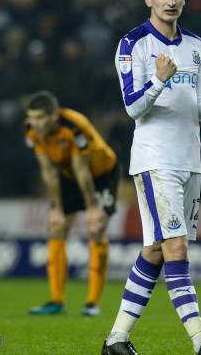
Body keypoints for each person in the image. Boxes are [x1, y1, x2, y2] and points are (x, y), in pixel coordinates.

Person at [103, 0, 201, 355]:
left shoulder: (197, 47)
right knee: (176, 247)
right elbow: (133, 107)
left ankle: (116, 340)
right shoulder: (133, 44)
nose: (170, 0)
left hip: (189, 161)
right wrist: (159, 80)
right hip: (154, 161)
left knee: (155, 250)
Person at [24, 90, 119, 316]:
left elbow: (82, 168)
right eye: (32, 117)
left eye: (40, 118)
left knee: (96, 227)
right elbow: (47, 169)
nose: (35, 123)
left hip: (100, 173)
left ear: (54, 116)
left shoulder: (75, 125)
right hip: (67, 174)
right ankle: (56, 301)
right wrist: (57, 208)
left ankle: (92, 303)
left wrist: (93, 207)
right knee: (56, 225)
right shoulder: (31, 130)